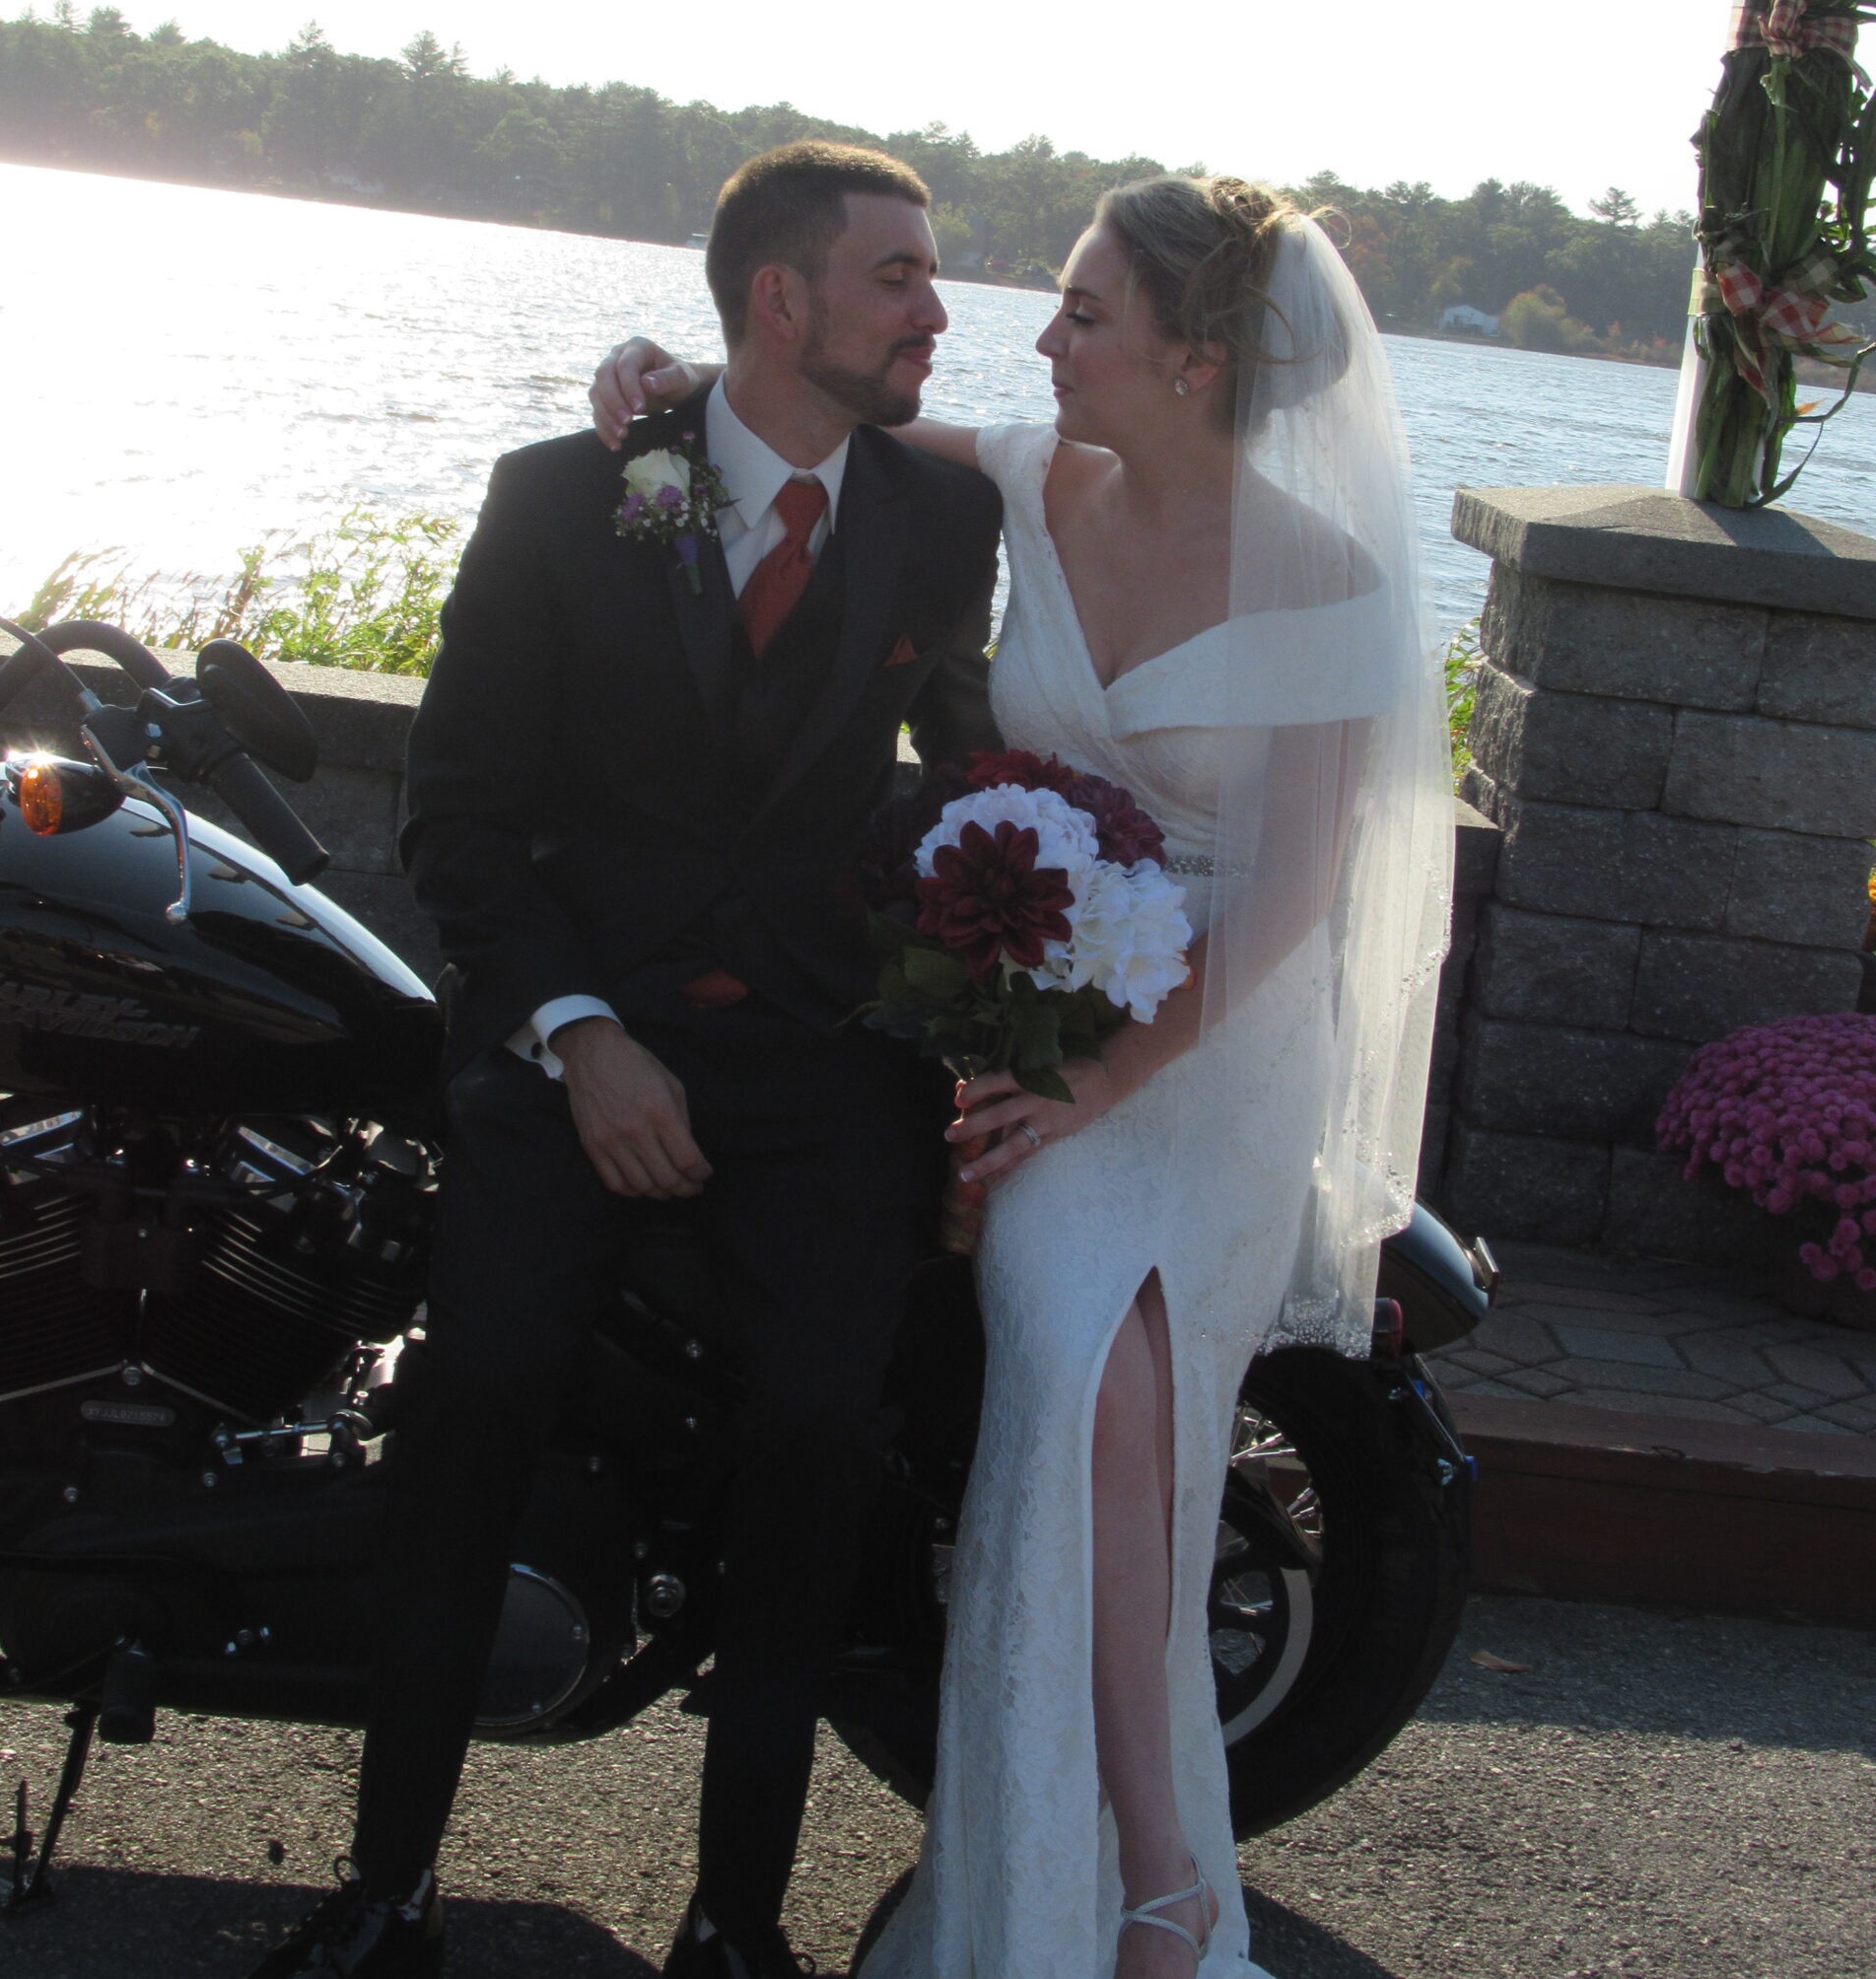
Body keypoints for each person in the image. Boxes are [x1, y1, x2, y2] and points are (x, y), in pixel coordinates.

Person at [591, 177, 1452, 1978]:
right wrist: (652, 376)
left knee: (1113, 1368)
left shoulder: (1332, 580)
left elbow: (1291, 904)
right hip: (1036, 1012)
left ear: (1195, 357)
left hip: (1209, 1050)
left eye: (1083, 315)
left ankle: (1154, 1870)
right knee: (1091, 1371)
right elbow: (801, 411)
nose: (1038, 341)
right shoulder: (1035, 480)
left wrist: (1090, 1092)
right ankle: (1140, 1873)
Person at [246, 142, 1003, 1979]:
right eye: (898, 275)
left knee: (824, 1435)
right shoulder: (559, 499)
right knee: (477, 1402)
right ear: (780, 301)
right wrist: (579, 1039)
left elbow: (972, 770)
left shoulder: (939, 521)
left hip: (820, 1072)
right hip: (572, 1051)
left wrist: (1033, 957)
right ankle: (390, 1894)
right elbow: (462, 822)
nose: (935, 308)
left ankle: (737, 1925)